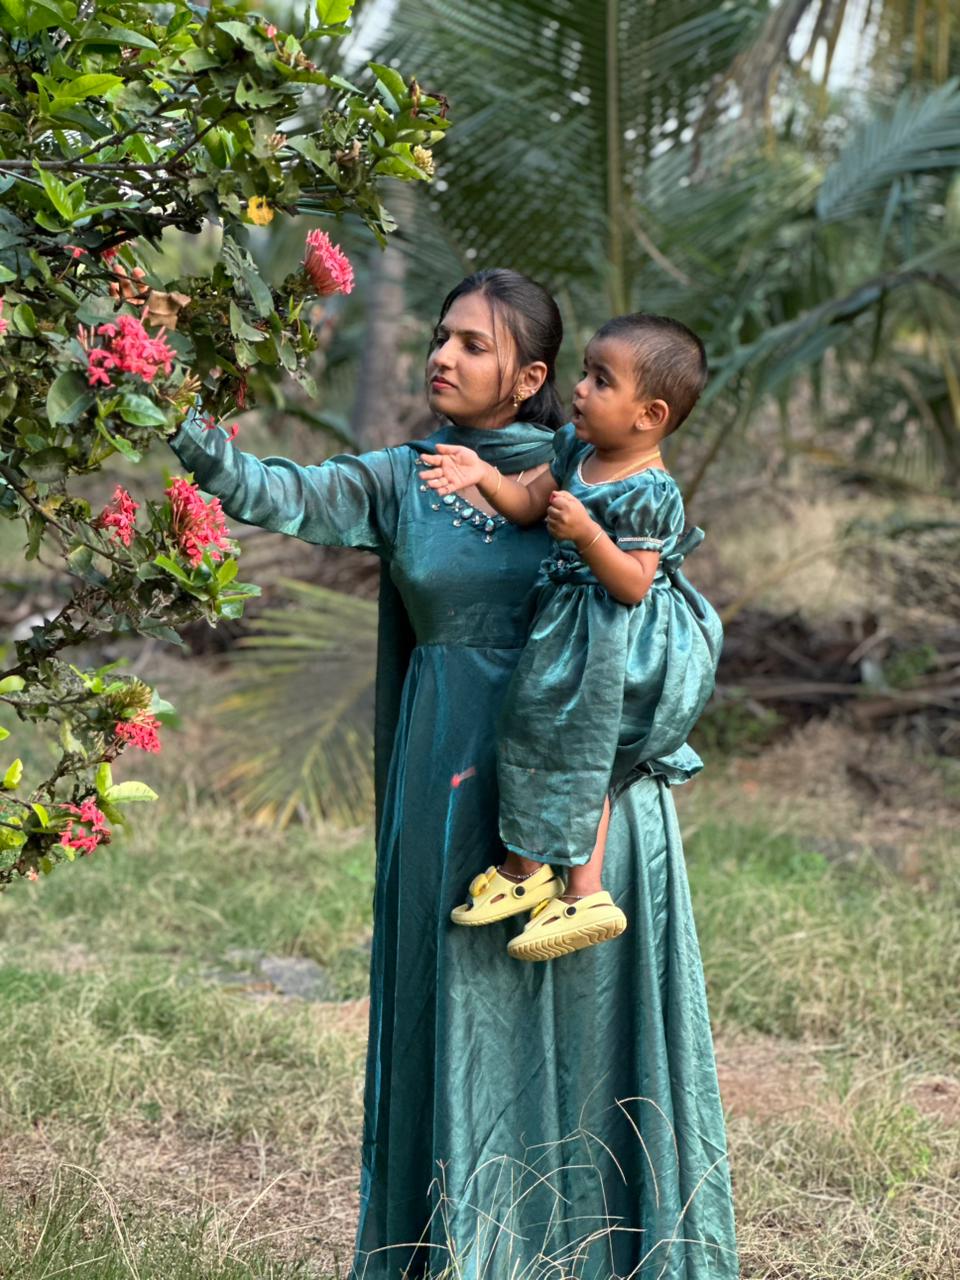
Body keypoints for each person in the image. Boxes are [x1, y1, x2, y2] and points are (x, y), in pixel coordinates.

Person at [165, 269, 740, 1279]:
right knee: (464, 1005)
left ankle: (604, 1251)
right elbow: (272, 491)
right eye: (440, 335)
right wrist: (174, 421)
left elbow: (656, 605)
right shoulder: (402, 476)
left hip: (593, 790)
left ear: (532, 376)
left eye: (474, 344)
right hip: (452, 786)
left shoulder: (595, 463)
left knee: (589, 1015)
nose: (443, 354)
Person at [419, 313, 722, 964]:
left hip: (615, 642)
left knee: (581, 749)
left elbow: (635, 584)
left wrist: (587, 535)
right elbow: (528, 503)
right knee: (531, 729)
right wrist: (482, 476)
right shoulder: (576, 453)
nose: (579, 389)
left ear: (649, 415)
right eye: (585, 373)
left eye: (601, 381)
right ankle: (526, 871)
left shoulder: (650, 491)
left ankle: (585, 891)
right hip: (568, 631)